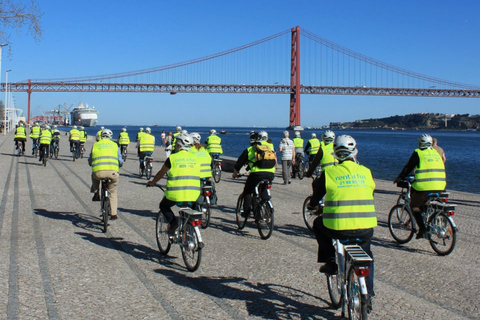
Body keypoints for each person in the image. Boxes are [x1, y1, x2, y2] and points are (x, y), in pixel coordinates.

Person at [311, 135, 377, 309]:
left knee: (318, 224)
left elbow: (316, 197)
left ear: (335, 154)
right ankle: (368, 293)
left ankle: (331, 262)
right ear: (355, 152)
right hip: (365, 227)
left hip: (338, 228)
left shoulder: (329, 173)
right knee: (367, 256)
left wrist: (312, 205)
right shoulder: (366, 171)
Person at [147, 133, 200, 235]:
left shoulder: (173, 158)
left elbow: (161, 173)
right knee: (192, 209)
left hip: (175, 194)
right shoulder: (196, 158)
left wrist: (153, 182)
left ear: (179, 146)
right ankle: (190, 231)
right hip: (194, 193)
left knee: (163, 205)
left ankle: (173, 223)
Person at [395, 134, 446, 239]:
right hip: (441, 186)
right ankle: (428, 217)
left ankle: (422, 229)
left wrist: (400, 177)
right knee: (425, 202)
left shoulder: (419, 153)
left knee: (414, 206)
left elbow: (408, 167)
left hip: (424, 187)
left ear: (419, 143)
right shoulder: (436, 153)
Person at [232, 131, 275, 219]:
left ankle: (247, 211)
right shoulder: (269, 147)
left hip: (257, 174)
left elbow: (239, 163)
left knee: (247, 191)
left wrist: (235, 174)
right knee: (263, 188)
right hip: (271, 173)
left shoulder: (250, 149)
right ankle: (265, 202)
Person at [89, 129, 123, 220]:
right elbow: (120, 160)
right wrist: (121, 164)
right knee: (113, 192)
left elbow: (91, 159)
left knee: (94, 176)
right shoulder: (115, 145)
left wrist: (90, 163)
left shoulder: (96, 144)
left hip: (99, 173)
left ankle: (96, 192)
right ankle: (114, 214)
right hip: (113, 173)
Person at [191, 132, 217, 204]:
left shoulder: (190, 150)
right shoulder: (204, 149)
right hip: (207, 174)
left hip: (197, 175)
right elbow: (210, 161)